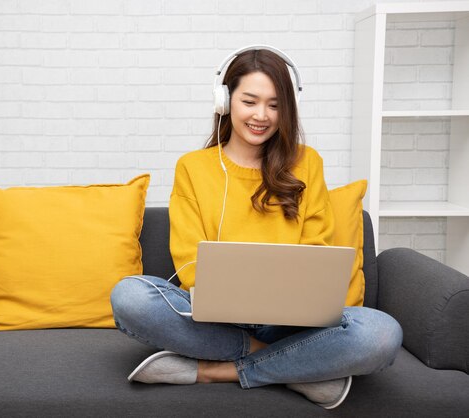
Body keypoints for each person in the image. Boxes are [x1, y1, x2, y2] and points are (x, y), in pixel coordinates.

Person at [110, 47, 403, 410]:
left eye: (274, 105)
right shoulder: (193, 167)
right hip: (216, 320)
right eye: (250, 101)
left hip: (292, 323)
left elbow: (317, 249)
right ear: (225, 100)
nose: (261, 116)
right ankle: (297, 366)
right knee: (130, 297)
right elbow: (188, 260)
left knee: (381, 333)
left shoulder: (306, 162)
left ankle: (219, 371)